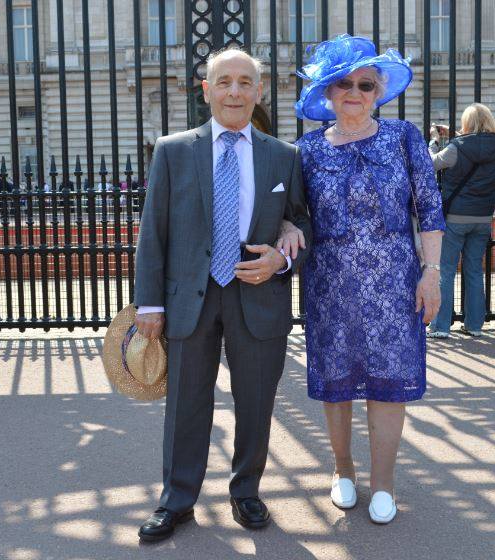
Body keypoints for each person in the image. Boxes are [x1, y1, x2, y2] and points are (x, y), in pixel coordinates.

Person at [133, 47, 311, 542]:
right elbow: (154, 230)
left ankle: (246, 492)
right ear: (206, 90)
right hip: (191, 297)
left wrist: (283, 256)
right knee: (186, 403)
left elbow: (303, 223)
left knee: (255, 402)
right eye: (224, 82)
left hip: (258, 296)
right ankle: (177, 500)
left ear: (259, 91)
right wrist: (149, 302)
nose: (235, 91)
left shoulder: (284, 155)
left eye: (244, 82)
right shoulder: (173, 150)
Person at [279, 35, 444, 524]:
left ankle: (384, 482)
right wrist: (288, 225)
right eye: (343, 83)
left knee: (388, 384)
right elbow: (292, 214)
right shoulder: (305, 150)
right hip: (330, 286)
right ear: (327, 92)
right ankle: (343, 469)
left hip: (395, 283)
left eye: (365, 84)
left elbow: (429, 210)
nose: (354, 92)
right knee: (336, 383)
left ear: (378, 90)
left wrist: (431, 273)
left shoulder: (404, 137)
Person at [426, 103, 495, 338]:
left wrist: (434, 141)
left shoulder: (457, 147)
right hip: (482, 216)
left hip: (456, 216)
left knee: (447, 270)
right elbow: (477, 144)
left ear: (467, 123)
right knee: (473, 270)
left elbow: (433, 163)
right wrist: (455, 133)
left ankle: (440, 326)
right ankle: (474, 325)